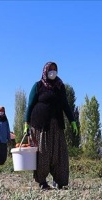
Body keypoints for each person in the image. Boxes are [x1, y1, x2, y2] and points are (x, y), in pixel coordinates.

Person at [24, 61, 78, 190]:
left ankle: (59, 181)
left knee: (60, 154)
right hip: (41, 125)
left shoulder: (60, 86)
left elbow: (65, 104)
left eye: (55, 69)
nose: (53, 72)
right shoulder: (38, 86)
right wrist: (26, 123)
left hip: (57, 125)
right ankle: (42, 182)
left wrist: (72, 121)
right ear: (45, 71)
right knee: (43, 153)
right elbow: (30, 105)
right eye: (50, 69)